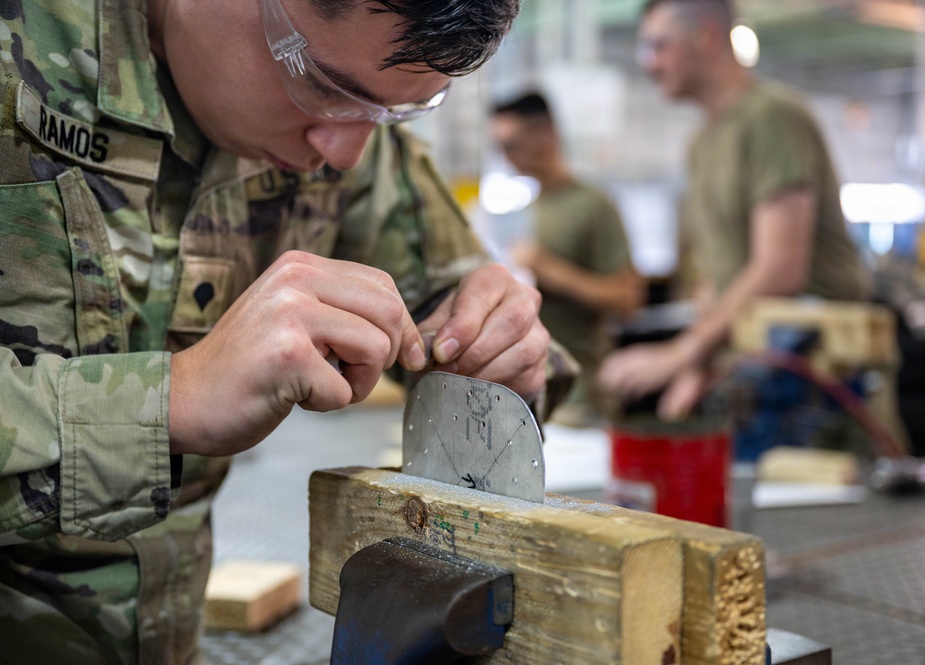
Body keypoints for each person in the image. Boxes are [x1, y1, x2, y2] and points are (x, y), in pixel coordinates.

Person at [0, 1, 575, 662]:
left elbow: (451, 298)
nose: (345, 150)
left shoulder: (354, 102)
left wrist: (499, 350)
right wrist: (168, 400)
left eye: (394, 115)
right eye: (323, 87)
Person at [599, 0, 869, 420]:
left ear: (706, 35)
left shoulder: (772, 117)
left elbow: (781, 269)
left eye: (658, 46)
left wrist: (680, 354)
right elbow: (716, 278)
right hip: (754, 371)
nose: (649, 64)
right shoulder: (702, 144)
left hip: (820, 378)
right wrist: (697, 366)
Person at [490, 92, 644, 427]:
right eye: (499, 147)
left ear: (545, 135)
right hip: (524, 393)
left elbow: (628, 298)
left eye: (511, 144)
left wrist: (554, 272)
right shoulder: (520, 210)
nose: (506, 157)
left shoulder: (592, 206)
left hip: (578, 395)